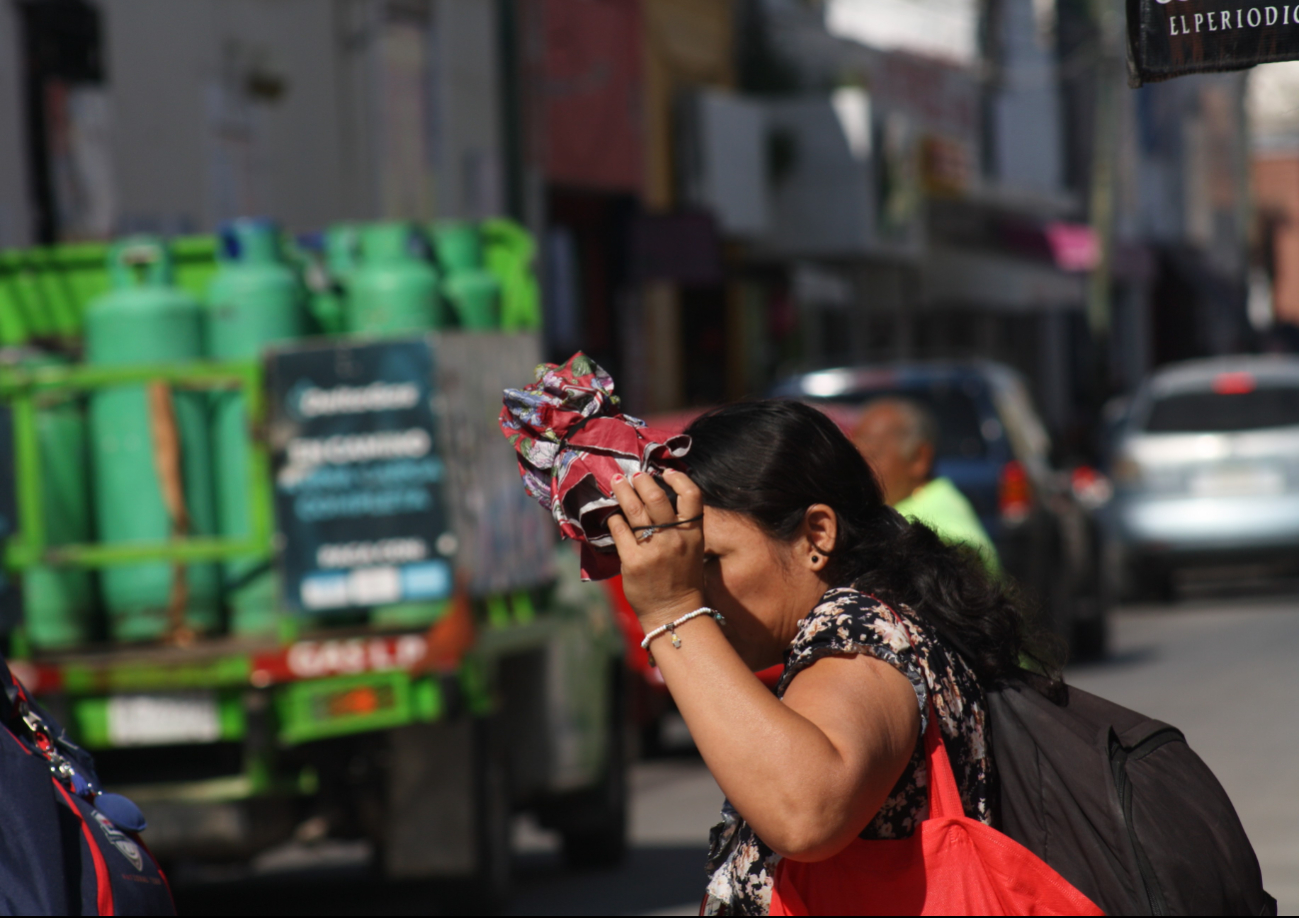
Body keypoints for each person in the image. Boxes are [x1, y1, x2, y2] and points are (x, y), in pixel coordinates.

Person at [604, 400, 1049, 915]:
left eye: (709, 560)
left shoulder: (860, 629)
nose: (697, 587)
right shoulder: (879, 615)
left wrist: (672, 611)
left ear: (817, 535)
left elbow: (803, 813)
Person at [852, 397, 1000, 574]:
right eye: (855, 459)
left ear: (919, 458)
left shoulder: (942, 525)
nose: (859, 471)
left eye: (871, 456)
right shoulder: (895, 509)